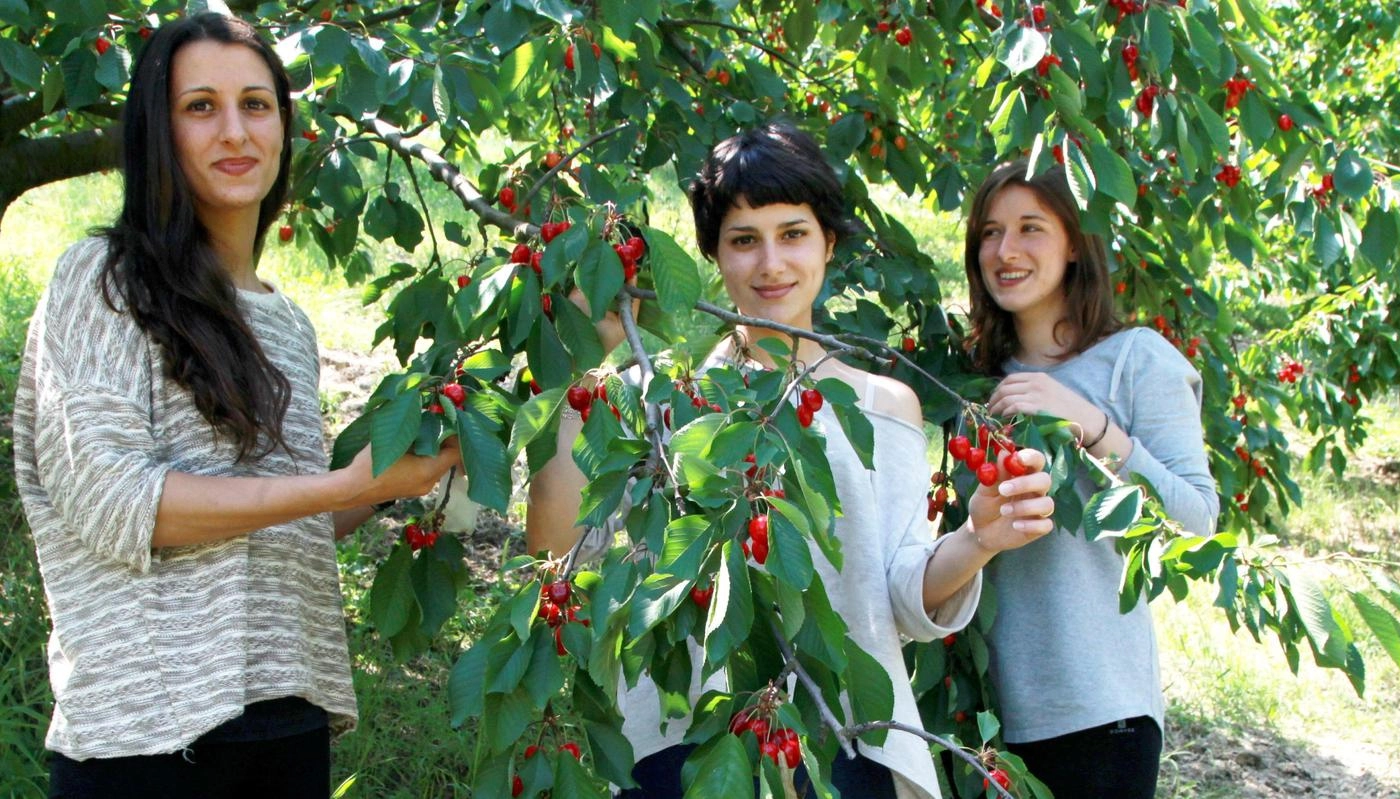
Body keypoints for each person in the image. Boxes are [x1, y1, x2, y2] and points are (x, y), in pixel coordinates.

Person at [526, 122, 1057, 799]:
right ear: (712, 255)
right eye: (744, 240)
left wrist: (980, 538)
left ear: (828, 244)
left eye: (793, 233)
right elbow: (556, 548)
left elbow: (900, 596)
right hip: (678, 738)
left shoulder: (883, 407)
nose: (771, 263)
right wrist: (579, 373)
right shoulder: (655, 399)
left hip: (844, 741)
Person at [12, 13, 460, 799]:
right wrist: (346, 485)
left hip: (288, 720)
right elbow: (115, 500)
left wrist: (392, 478)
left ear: (285, 129)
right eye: (200, 107)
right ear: (158, 130)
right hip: (145, 736)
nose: (235, 131)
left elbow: (281, 521)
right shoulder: (102, 280)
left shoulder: (288, 324)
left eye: (256, 105)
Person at [960, 160, 1219, 798]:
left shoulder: (1136, 361)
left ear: (1075, 242)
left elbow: (1196, 522)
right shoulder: (963, 384)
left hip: (1098, 714)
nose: (1006, 250)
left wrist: (1093, 426)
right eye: (990, 233)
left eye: (1031, 228)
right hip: (974, 717)